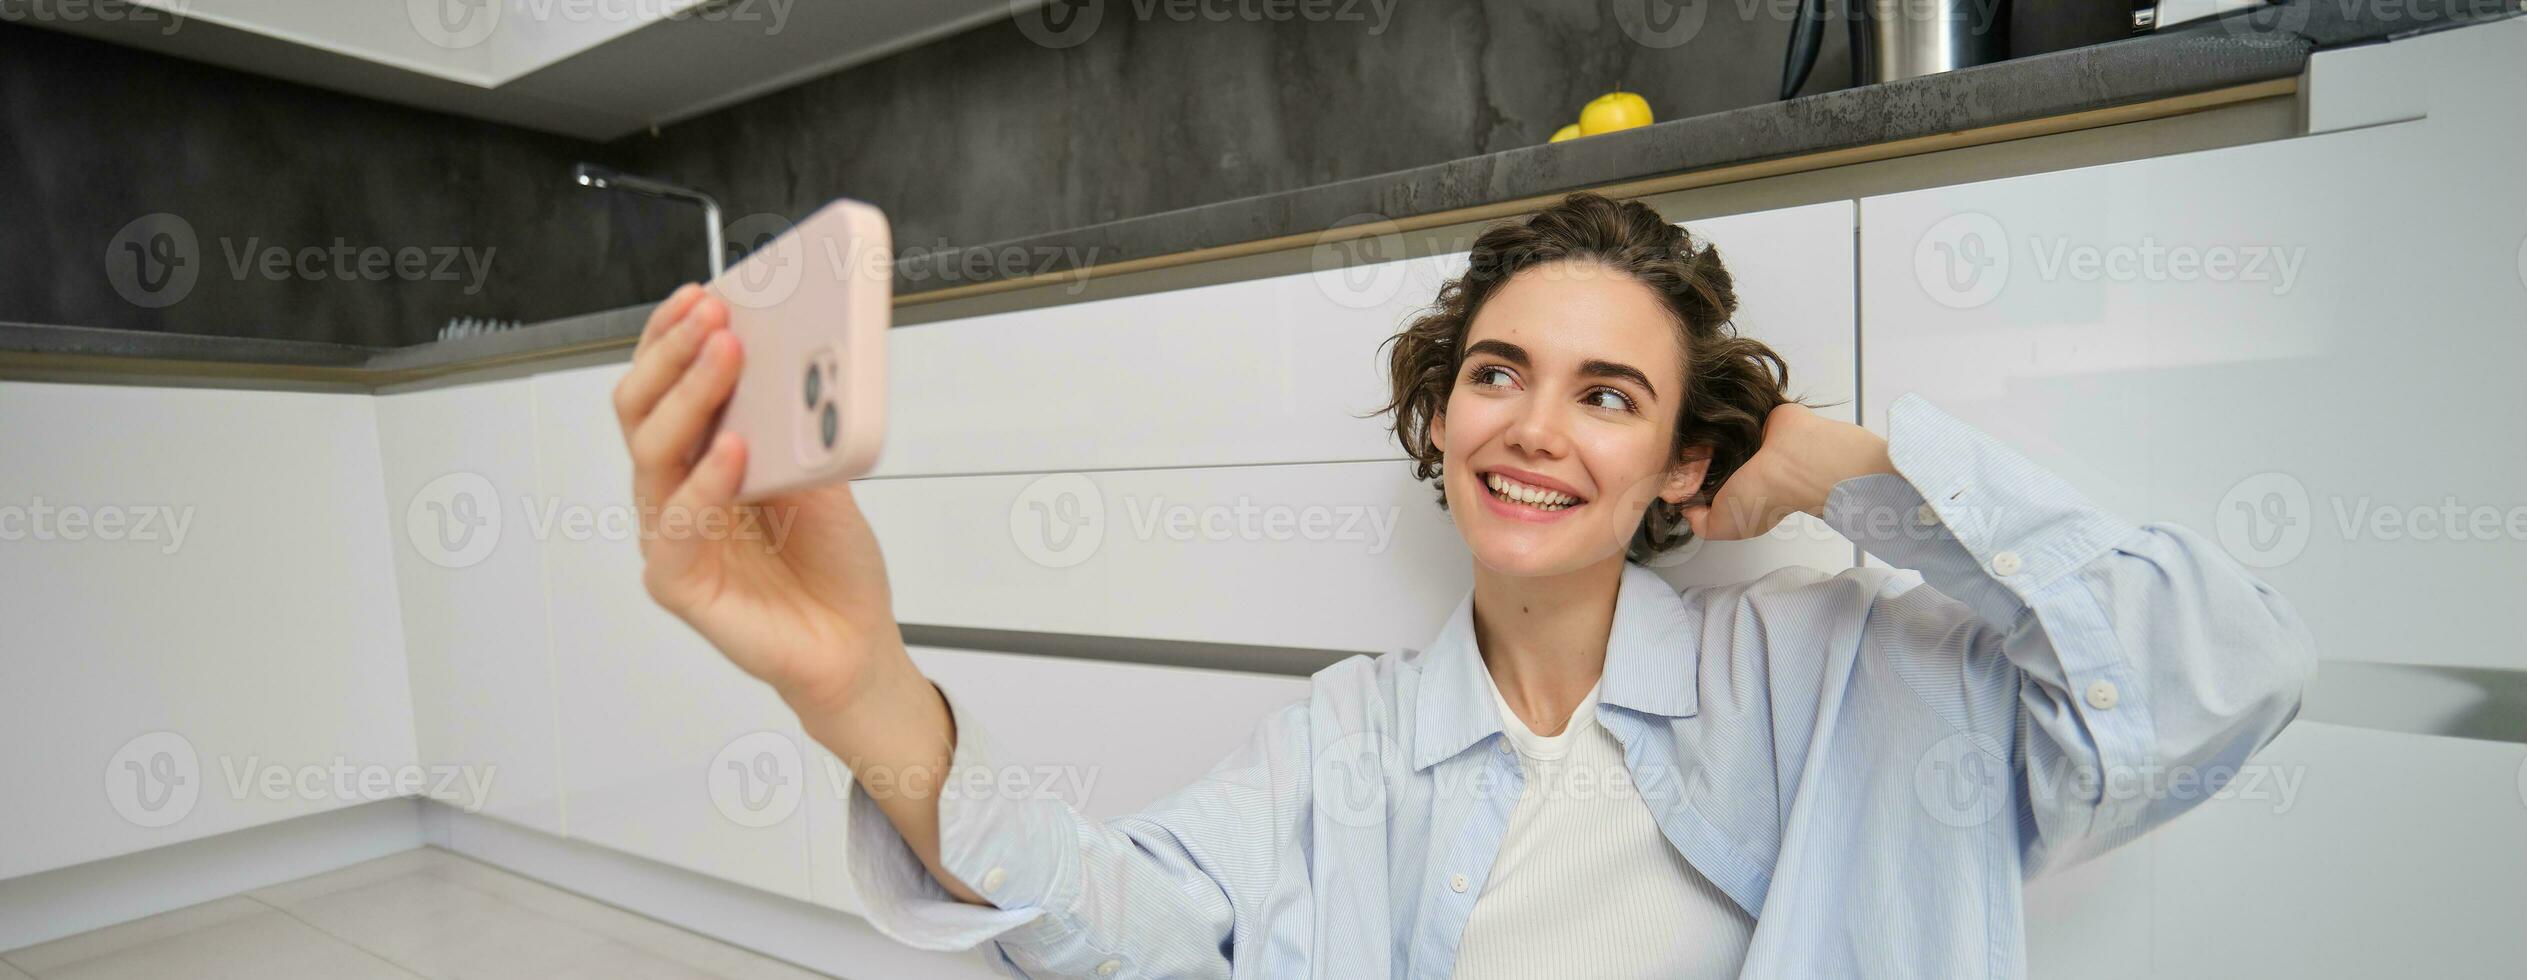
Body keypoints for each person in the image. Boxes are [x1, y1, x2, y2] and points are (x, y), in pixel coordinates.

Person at [611, 192, 2315, 978]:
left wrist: (1855, 470)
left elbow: (2212, 676)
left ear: (1684, 467)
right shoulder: (1348, 743)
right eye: (1499, 373)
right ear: (1442, 420)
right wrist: (858, 692)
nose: (1535, 428)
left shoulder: (1849, 673)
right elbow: (1122, 922)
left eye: (1611, 393)